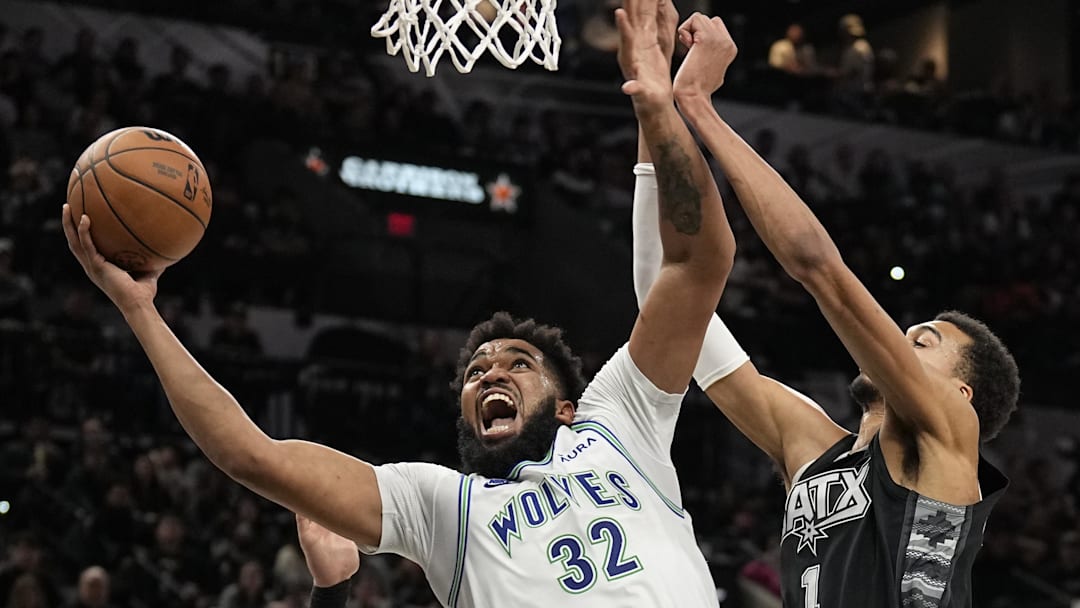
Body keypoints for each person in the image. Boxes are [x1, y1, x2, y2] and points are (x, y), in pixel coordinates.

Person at [59, 0, 736, 604]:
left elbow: (695, 264)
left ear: (568, 405)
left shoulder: (619, 420)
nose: (489, 373)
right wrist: (140, 312)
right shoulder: (442, 504)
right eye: (474, 373)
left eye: (516, 364)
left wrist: (656, 106)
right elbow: (252, 456)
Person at [628, 12, 1019, 608]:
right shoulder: (808, 446)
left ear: (962, 395)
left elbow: (819, 269)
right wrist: (655, 111)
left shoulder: (948, 434)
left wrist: (700, 107)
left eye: (924, 341)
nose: (901, 339)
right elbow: (666, 295)